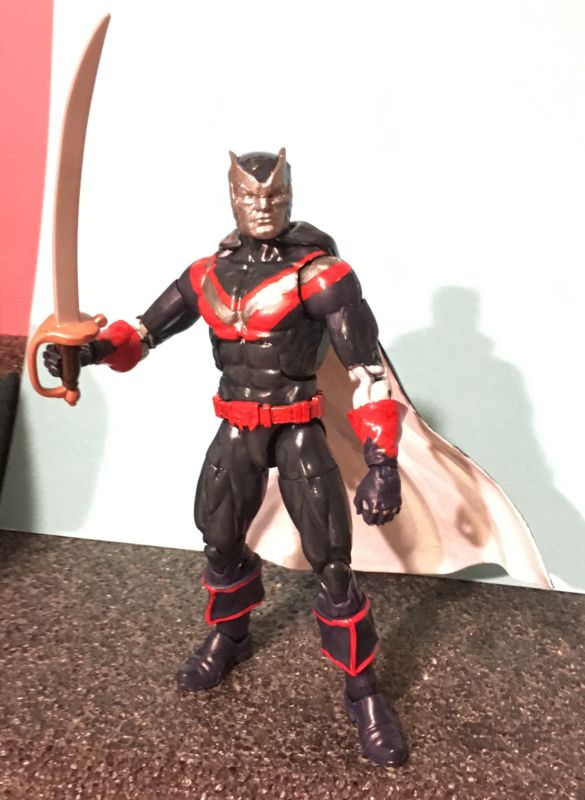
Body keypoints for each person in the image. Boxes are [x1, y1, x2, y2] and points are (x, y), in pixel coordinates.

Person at [45, 149, 408, 767]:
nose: (263, 206)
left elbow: (367, 371)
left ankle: (363, 690)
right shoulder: (207, 275)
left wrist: (382, 462)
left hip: (296, 424)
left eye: (275, 195)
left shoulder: (321, 276)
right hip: (238, 425)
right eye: (250, 196)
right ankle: (231, 634)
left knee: (331, 561)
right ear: (232, 197)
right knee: (218, 539)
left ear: (290, 195)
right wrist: (90, 352)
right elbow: (142, 333)